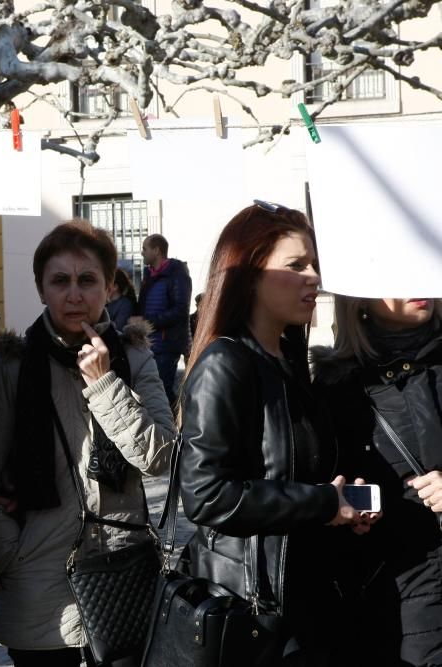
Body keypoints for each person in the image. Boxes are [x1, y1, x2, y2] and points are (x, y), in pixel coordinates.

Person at [179, 201, 374, 664]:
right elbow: (205, 496)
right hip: (253, 609)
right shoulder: (225, 363)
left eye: (315, 266)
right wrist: (323, 503)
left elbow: (301, 473)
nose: (314, 278)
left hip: (304, 595)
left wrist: (348, 504)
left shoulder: (288, 362)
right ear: (249, 273)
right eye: (296, 265)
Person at [0, 221, 175, 666]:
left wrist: (105, 384)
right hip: (39, 582)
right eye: (60, 281)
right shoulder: (11, 367)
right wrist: (11, 553)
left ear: (109, 286)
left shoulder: (135, 356)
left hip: (122, 573)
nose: (74, 294)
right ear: (41, 288)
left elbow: (161, 458)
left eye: (87, 280)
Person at [312, 295, 442, 665]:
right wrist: (343, 510)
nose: (417, 284)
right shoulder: (336, 385)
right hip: (387, 591)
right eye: (396, 277)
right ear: (360, 299)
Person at [136, 234, 192, 404]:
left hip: (167, 344)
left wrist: (147, 322)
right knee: (153, 391)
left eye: (145, 248)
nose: (141, 252)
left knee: (163, 391)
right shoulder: (148, 275)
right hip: (149, 343)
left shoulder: (177, 274)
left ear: (157, 250)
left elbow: (180, 311)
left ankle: (177, 426)